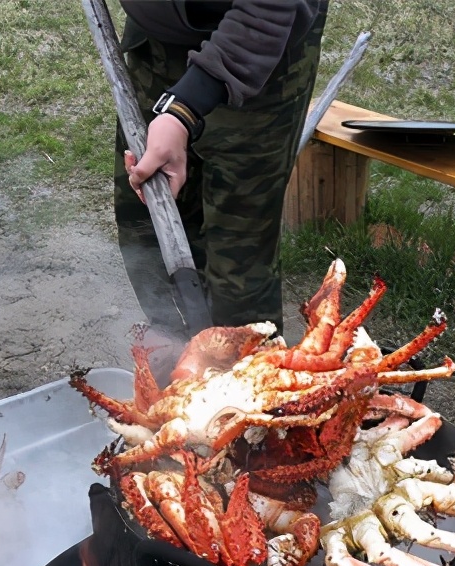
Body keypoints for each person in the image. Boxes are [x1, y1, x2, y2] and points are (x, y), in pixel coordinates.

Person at [115, 0, 329, 336]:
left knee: (237, 264)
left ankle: (246, 365)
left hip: (258, 43)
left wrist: (184, 110)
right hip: (157, 38)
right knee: (146, 226)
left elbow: (269, 9)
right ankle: (176, 355)